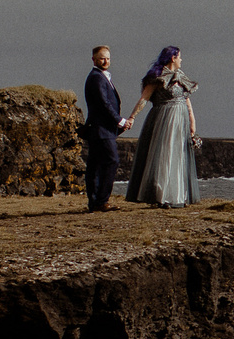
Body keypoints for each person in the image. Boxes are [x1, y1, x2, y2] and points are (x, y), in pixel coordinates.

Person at [124, 45, 198, 207]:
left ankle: (177, 195)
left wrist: (192, 121)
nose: (181, 60)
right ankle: (160, 195)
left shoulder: (181, 76)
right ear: (173, 58)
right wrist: (132, 116)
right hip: (164, 119)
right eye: (179, 57)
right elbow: (144, 98)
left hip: (181, 120)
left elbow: (187, 101)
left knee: (178, 155)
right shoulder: (158, 77)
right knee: (163, 155)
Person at [79, 45, 132, 213]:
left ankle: (95, 202)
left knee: (94, 165)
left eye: (108, 58)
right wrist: (120, 121)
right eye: (102, 58)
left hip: (101, 129)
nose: (106, 61)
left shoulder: (102, 77)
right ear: (94, 59)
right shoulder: (96, 78)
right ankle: (101, 200)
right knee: (111, 160)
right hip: (101, 129)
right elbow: (104, 104)